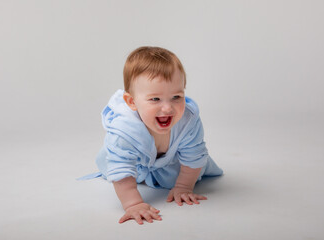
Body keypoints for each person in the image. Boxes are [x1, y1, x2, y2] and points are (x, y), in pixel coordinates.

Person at [84, 46, 223, 225]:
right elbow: (121, 168)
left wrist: (183, 187)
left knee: (188, 170)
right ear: (132, 102)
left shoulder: (187, 120)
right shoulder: (124, 131)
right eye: (155, 99)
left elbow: (193, 155)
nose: (168, 107)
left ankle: (173, 178)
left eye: (176, 97)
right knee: (118, 168)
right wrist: (133, 204)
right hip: (129, 159)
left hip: (170, 161)